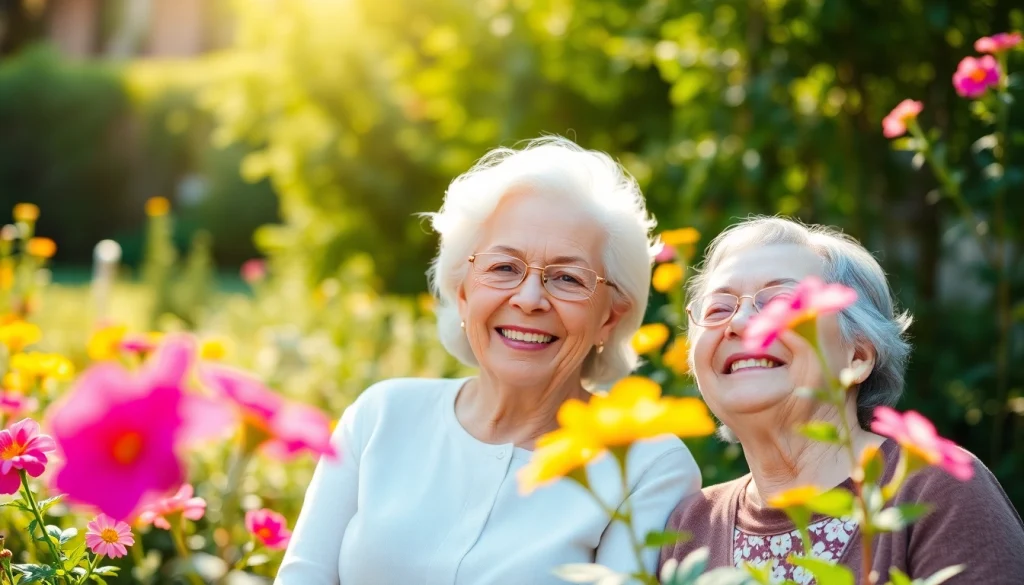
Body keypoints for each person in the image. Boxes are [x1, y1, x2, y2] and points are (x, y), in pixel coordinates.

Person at [276, 136, 701, 584]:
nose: (530, 298)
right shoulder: (380, 416)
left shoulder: (646, 465)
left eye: (567, 278)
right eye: (503, 268)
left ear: (609, 319)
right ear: (462, 293)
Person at [660, 216, 1024, 584]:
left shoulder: (935, 492)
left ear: (858, 356)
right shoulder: (690, 528)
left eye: (781, 302)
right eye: (718, 308)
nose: (739, 323)